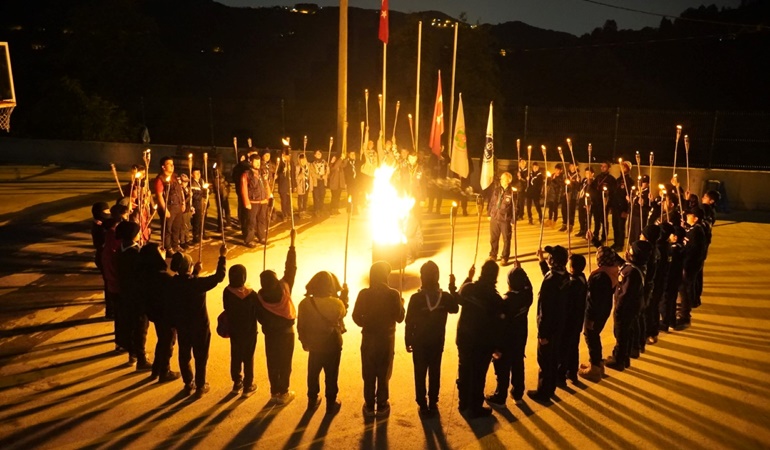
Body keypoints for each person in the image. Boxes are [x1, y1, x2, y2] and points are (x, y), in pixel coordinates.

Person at [169, 245, 228, 395]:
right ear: (189, 267)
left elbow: (186, 281)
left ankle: (188, 382)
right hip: (200, 326)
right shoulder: (197, 284)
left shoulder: (173, 283)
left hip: (182, 325)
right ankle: (201, 385)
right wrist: (222, 256)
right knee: (201, 356)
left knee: (184, 354)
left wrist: (195, 272)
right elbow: (218, 277)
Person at [405, 261, 459, 416]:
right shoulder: (445, 298)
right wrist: (452, 287)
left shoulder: (416, 298)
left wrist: (408, 340)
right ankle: (433, 402)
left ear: (422, 277)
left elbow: (409, 321)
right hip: (437, 342)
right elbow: (455, 308)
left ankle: (422, 404)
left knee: (420, 372)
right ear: (437, 276)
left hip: (419, 342)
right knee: (435, 371)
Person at [352, 261, 405, 418]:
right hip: (386, 339)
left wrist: (365, 323)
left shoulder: (364, 294)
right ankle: (382, 404)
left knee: (368, 372)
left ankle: (369, 404)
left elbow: (355, 316)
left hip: (368, 338)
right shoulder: (393, 294)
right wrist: (401, 304)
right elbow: (400, 318)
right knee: (383, 372)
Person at [297, 270, 348, 414]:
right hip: (333, 344)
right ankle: (331, 403)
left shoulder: (305, 303)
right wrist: (344, 296)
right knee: (332, 374)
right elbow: (342, 314)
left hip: (315, 344)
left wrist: (304, 341)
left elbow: (301, 325)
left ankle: (312, 399)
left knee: (313, 373)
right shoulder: (337, 304)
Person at [456, 260, 503, 417]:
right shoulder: (495, 299)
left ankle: (463, 403)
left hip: (464, 338)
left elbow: (458, 297)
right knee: (478, 375)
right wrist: (497, 347)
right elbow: (497, 326)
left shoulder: (469, 289)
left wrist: (468, 278)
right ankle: (475, 407)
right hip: (482, 343)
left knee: (464, 369)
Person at [256, 234, 298, 405]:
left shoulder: (259, 296)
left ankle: (275, 392)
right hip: (287, 333)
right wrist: (292, 245)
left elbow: (259, 317)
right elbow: (291, 268)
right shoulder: (285, 287)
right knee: (285, 362)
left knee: (272, 362)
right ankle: (284, 391)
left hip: (271, 335)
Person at [485, 265, 532, 407]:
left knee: (502, 369)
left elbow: (498, 326)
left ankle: (500, 397)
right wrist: (522, 272)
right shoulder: (526, 297)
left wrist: (495, 346)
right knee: (518, 364)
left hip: (506, 341)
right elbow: (528, 286)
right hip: (520, 338)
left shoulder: (506, 301)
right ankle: (517, 393)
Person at [528, 245, 569, 403]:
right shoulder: (563, 274)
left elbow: (545, 309)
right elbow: (549, 274)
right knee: (552, 358)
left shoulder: (551, 281)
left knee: (545, 360)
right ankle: (550, 387)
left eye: (550, 257)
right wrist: (541, 261)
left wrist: (543, 334)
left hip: (550, 328)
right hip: (559, 325)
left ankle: (544, 392)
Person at [605, 240, 651, 371]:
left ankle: (618, 360)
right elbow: (620, 262)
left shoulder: (632, 272)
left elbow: (626, 294)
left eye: (631, 249)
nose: (628, 250)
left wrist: (618, 310)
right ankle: (624, 357)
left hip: (626, 309)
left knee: (621, 334)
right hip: (631, 307)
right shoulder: (634, 266)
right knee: (625, 333)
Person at [139, 243, 180, 382]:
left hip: (155, 313)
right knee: (168, 341)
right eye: (159, 251)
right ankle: (165, 371)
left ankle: (156, 369)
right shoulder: (162, 277)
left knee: (162, 340)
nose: (162, 252)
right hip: (166, 314)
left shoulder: (146, 273)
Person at [115, 220, 153, 371]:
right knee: (140, 327)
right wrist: (159, 259)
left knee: (130, 325)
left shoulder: (120, 250)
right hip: (138, 296)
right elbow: (147, 274)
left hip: (125, 294)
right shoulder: (135, 254)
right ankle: (141, 359)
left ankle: (133, 355)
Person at [578, 246, 619, 382]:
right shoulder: (611, 271)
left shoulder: (600, 277)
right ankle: (597, 363)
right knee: (594, 335)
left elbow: (593, 300)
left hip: (595, 313)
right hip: (604, 309)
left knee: (591, 336)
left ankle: (595, 367)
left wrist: (590, 318)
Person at [223, 263, 260, 397]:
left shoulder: (227, 292)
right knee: (248, 357)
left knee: (236, 355)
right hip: (249, 331)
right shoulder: (252, 294)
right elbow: (257, 311)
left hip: (234, 331)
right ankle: (248, 385)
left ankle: (237, 382)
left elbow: (226, 308)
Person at [558, 253, 587, 385]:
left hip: (570, 321)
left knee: (564, 349)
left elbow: (560, 287)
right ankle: (572, 373)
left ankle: (561, 375)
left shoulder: (573, 285)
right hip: (577, 321)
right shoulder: (581, 277)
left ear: (572, 268)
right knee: (573, 347)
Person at [677, 207, 705, 330]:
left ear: (696, 218)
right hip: (689, 264)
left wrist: (684, 266)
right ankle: (683, 309)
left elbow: (691, 251)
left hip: (690, 266)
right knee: (684, 289)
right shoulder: (693, 229)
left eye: (690, 215)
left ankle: (685, 316)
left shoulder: (696, 232)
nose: (687, 217)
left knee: (685, 289)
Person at [153, 156, 186, 253]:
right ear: (163, 167)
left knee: (177, 228)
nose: (172, 166)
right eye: (169, 164)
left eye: (172, 164)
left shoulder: (175, 177)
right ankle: (168, 247)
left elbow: (180, 190)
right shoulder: (160, 179)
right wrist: (165, 209)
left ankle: (175, 245)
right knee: (167, 228)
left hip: (178, 205)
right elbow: (159, 195)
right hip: (168, 207)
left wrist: (183, 202)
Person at [646, 223, 672, 345]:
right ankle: (652, 331)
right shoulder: (661, 246)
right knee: (652, 307)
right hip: (658, 282)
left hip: (655, 284)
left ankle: (651, 332)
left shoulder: (657, 249)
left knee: (651, 308)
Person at [240, 154, 269, 248]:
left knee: (262, 220)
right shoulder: (246, 174)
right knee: (251, 221)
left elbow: (266, 184)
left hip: (262, 201)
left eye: (259, 162)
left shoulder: (261, 173)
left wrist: (268, 196)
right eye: (256, 162)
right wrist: (246, 202)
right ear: (251, 162)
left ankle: (262, 237)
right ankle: (249, 239)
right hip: (252, 202)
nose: (258, 164)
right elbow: (243, 189)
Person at [660, 225, 685, 332]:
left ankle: (665, 322)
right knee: (671, 301)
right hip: (676, 279)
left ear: (675, 237)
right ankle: (672, 321)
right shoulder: (679, 247)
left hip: (670, 279)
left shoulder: (673, 250)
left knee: (666, 301)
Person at [488, 172, 515, 265]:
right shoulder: (497, 190)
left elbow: (516, 208)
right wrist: (489, 213)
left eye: (504, 179)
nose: (502, 181)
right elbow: (491, 202)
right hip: (495, 217)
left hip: (505, 219)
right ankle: (493, 254)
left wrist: (513, 220)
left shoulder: (512, 192)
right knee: (493, 238)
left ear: (509, 181)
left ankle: (504, 257)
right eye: (501, 179)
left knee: (506, 239)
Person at [91, 202, 111, 318]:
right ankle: (110, 311)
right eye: (106, 212)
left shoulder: (102, 224)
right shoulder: (99, 228)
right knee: (109, 285)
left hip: (104, 257)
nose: (108, 214)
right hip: (103, 258)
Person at [590, 161, 616, 247]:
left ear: (608, 168)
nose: (602, 168)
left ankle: (604, 236)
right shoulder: (598, 177)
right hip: (596, 203)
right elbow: (592, 188)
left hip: (605, 203)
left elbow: (613, 192)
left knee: (604, 220)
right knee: (596, 220)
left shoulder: (611, 179)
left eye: (604, 167)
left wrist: (610, 203)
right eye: (601, 166)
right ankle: (596, 234)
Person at [611, 160, 633, 251]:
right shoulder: (618, 180)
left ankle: (620, 244)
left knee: (620, 227)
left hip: (622, 208)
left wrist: (626, 210)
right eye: (621, 167)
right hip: (615, 207)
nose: (622, 168)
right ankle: (616, 242)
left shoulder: (629, 181)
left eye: (624, 167)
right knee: (615, 225)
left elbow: (629, 197)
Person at [560, 162, 580, 232]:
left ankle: (571, 224)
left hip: (573, 195)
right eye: (571, 166)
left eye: (573, 166)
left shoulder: (577, 176)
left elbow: (578, 187)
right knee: (564, 209)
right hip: (565, 193)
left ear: (576, 167)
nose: (572, 167)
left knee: (571, 210)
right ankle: (564, 223)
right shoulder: (566, 174)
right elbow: (562, 183)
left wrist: (573, 182)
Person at [276, 149, 294, 222]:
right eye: (285, 154)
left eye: (288, 155)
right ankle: (284, 214)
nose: (287, 156)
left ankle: (289, 213)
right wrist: (283, 171)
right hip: (282, 185)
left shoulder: (291, 163)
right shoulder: (280, 163)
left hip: (289, 185)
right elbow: (277, 175)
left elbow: (293, 175)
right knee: (284, 201)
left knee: (289, 201)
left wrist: (294, 185)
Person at [190, 168, 208, 244]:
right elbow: (194, 195)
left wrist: (206, 191)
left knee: (202, 219)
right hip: (196, 204)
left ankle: (202, 233)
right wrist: (202, 192)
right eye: (196, 173)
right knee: (196, 221)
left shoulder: (201, 181)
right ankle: (196, 236)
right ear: (192, 174)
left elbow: (205, 192)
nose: (198, 175)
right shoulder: (192, 183)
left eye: (199, 173)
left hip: (202, 203)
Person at [310, 150, 328, 216]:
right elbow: (312, 173)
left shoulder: (325, 163)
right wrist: (320, 176)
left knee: (322, 196)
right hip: (316, 182)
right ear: (314, 155)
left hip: (323, 182)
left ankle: (321, 209)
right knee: (316, 197)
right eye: (317, 153)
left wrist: (326, 172)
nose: (319, 154)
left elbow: (327, 172)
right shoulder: (312, 164)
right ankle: (316, 210)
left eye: (320, 153)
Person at [341, 149, 359, 215]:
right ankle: (349, 207)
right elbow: (345, 173)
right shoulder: (347, 163)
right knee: (350, 195)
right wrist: (345, 182)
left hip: (356, 181)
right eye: (351, 154)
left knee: (356, 195)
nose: (353, 155)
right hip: (349, 182)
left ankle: (355, 208)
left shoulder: (356, 162)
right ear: (349, 155)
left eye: (354, 154)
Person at [296, 154, 312, 219]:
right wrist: (301, 174)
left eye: (304, 159)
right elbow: (296, 177)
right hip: (301, 185)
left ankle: (304, 211)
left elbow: (310, 176)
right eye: (301, 160)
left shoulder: (308, 166)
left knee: (305, 199)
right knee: (301, 199)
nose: (303, 161)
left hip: (307, 185)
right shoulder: (298, 167)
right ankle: (301, 212)